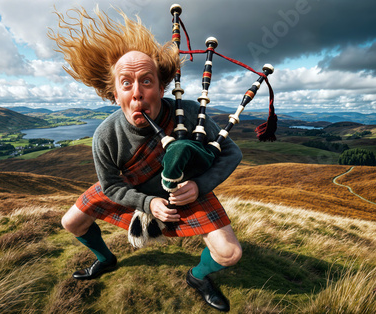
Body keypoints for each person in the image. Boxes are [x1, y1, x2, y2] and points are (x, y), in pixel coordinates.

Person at [50, 7, 242, 312]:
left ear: (162, 87)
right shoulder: (105, 135)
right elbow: (110, 186)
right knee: (71, 222)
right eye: (126, 83)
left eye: (146, 81)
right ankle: (105, 259)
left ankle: (198, 277)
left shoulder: (190, 113)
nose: (137, 93)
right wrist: (147, 204)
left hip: (183, 190)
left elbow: (231, 152)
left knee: (229, 253)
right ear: (114, 94)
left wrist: (201, 185)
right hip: (130, 188)